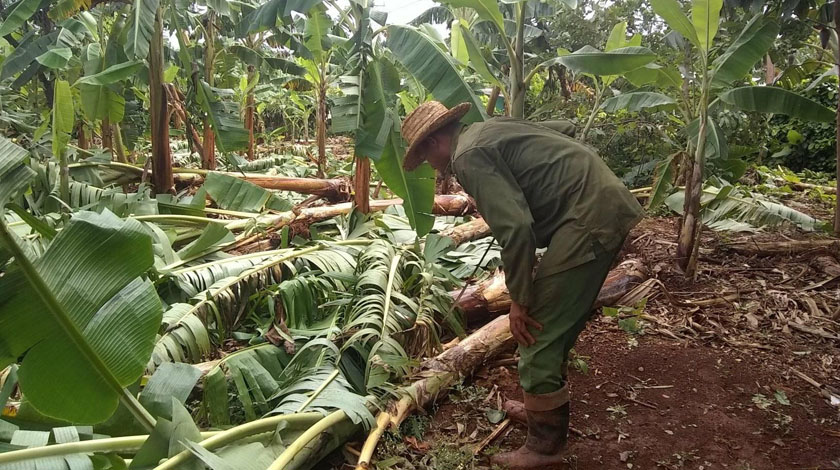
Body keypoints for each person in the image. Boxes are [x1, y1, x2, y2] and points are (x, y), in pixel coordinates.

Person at [400, 101, 644, 469]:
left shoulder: (468, 156)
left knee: (537, 330)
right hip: (594, 204)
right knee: (554, 318)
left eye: (424, 155)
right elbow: (562, 125)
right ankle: (541, 407)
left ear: (435, 141)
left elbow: (515, 229)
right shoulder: (486, 130)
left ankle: (545, 448)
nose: (430, 166)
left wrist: (519, 300)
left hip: (586, 217)